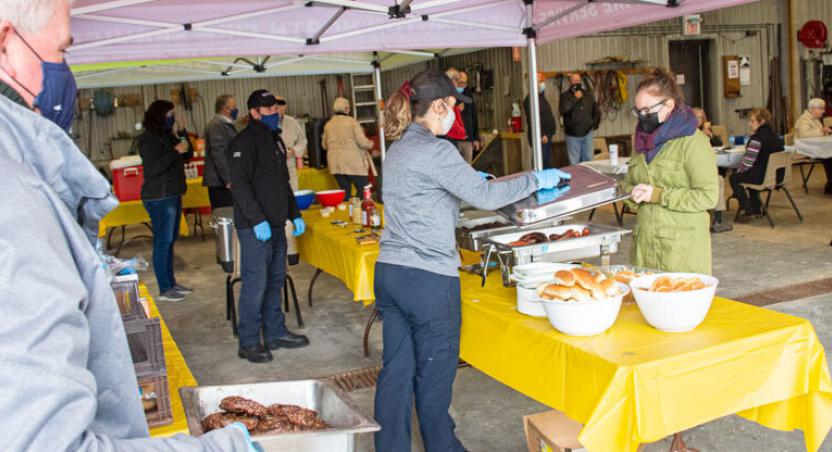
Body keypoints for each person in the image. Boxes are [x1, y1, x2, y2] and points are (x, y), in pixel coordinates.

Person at [0, 1, 255, 450]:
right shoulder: (15, 203)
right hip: (159, 196)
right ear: (6, 46)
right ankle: (168, 281)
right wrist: (225, 447)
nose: (64, 70)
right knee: (162, 241)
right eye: (62, 50)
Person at [375, 69, 571, 452]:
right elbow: (484, 197)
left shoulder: (398, 147)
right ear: (437, 106)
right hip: (427, 280)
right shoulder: (436, 149)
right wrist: (535, 179)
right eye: (451, 105)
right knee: (434, 373)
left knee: (396, 371)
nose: (454, 114)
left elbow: (427, 192)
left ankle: (390, 447)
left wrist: (466, 179)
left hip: (390, 274)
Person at [227, 89, 309, 363]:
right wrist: (257, 220)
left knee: (275, 280)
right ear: (254, 113)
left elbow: (282, 183)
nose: (275, 113)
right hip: (255, 228)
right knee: (255, 283)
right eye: (269, 110)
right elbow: (240, 186)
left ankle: (275, 332)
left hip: (276, 224)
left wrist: (294, 213)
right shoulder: (242, 143)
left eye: (276, 108)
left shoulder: (275, 140)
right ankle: (249, 341)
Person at [620, 68, 718, 274]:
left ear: (669, 105)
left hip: (681, 253)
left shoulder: (692, 143)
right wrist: (630, 193)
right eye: (638, 111)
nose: (642, 117)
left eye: (647, 110)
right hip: (645, 250)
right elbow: (629, 182)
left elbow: (708, 197)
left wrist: (658, 195)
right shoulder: (641, 143)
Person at [138, 100, 193, 302]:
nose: (173, 117)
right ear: (160, 116)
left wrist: (183, 131)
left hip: (173, 192)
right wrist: (174, 151)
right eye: (171, 114)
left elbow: (187, 153)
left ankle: (171, 282)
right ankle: (164, 287)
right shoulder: (147, 140)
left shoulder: (168, 136)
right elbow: (153, 168)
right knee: (163, 241)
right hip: (160, 196)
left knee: (170, 240)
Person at [730, 108, 785, 223]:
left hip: (763, 177)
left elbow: (747, 164)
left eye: (752, 121)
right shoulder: (776, 137)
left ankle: (749, 210)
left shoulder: (757, 140)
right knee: (749, 175)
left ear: (762, 121)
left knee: (734, 178)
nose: (750, 124)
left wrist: (738, 171)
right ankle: (756, 208)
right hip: (778, 176)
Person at [322, 97, 375, 201]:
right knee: (364, 191)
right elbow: (363, 142)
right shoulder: (352, 122)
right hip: (353, 164)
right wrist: (371, 144)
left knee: (345, 192)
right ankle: (361, 214)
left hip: (336, 165)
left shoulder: (328, 124)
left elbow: (324, 145)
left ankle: (347, 213)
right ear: (347, 109)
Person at [692, 108, 731, 233]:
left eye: (701, 117)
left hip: (705, 167)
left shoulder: (705, 130)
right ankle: (718, 220)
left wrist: (710, 134)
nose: (699, 120)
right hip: (694, 170)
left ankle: (718, 220)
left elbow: (719, 143)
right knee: (717, 180)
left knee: (718, 178)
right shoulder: (689, 132)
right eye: (697, 117)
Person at [203, 94, 238, 209]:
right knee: (224, 213)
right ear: (225, 109)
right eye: (233, 107)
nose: (236, 110)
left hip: (225, 178)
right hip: (219, 182)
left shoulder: (227, 124)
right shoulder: (216, 126)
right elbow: (218, 153)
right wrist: (227, 179)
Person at [560, 72, 600, 164]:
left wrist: (594, 123)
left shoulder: (588, 94)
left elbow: (595, 109)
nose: (576, 82)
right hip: (572, 135)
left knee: (589, 161)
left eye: (578, 80)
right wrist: (575, 98)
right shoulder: (565, 96)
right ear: (570, 82)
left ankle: (589, 178)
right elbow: (563, 110)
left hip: (588, 133)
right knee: (574, 163)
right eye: (574, 80)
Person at [794, 98, 832, 194]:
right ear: (813, 109)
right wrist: (821, 131)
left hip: (816, 148)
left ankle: (830, 184)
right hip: (805, 150)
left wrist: (823, 132)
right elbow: (804, 135)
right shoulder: (803, 120)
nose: (823, 111)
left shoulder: (816, 120)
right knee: (829, 158)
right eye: (821, 109)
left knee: (829, 156)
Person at [523, 72, 557, 169]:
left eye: (542, 81)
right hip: (541, 137)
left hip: (548, 135)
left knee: (547, 163)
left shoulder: (541, 97)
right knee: (540, 163)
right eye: (539, 81)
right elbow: (532, 120)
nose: (542, 83)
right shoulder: (530, 100)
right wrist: (541, 135)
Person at [276, 95, 308, 191]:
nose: (280, 108)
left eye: (282, 105)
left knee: (293, 191)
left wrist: (294, 150)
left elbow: (302, 140)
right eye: (277, 105)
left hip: (290, 164)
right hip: (273, 166)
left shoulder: (292, 122)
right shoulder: (265, 123)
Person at [456, 70, 480, 163]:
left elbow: (474, 116)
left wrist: (476, 138)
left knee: (468, 168)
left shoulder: (468, 94)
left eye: (465, 83)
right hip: (455, 140)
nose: (463, 86)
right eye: (461, 83)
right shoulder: (450, 96)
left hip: (468, 140)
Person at [441, 67, 468, 146]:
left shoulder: (448, 95)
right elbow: (451, 119)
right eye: (457, 82)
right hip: (446, 138)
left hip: (448, 137)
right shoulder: (446, 97)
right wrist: (461, 132)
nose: (457, 86)